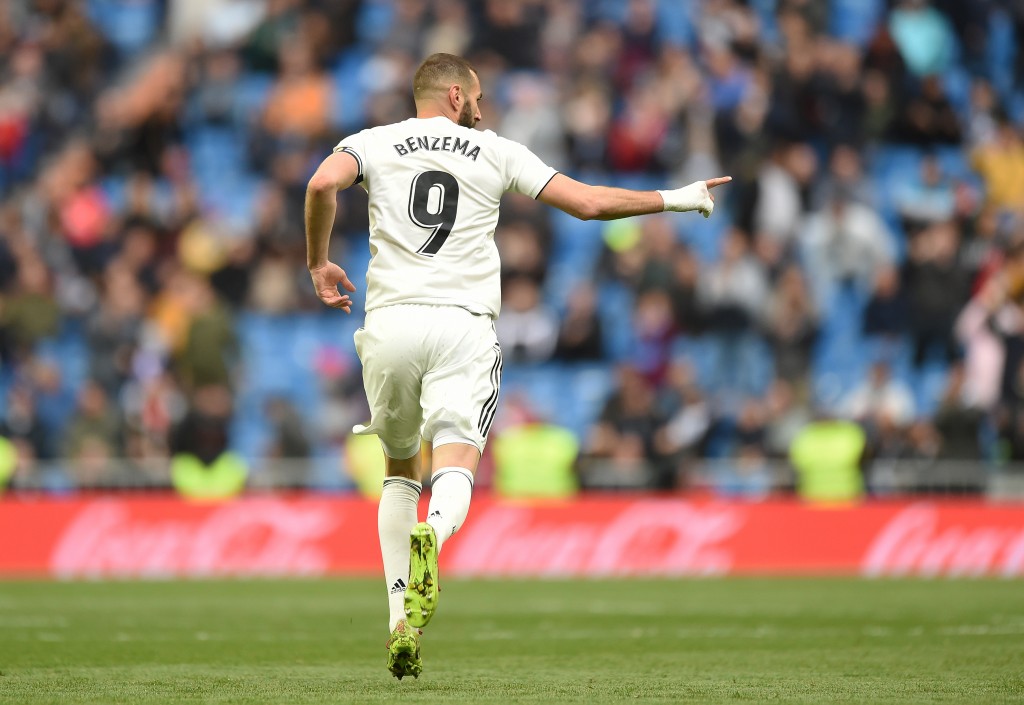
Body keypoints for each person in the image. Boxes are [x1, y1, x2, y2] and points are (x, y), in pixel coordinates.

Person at [303, 53, 730, 680]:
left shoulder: (372, 142)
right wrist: (676, 198)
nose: (481, 106)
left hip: (390, 324)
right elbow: (586, 203)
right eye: (475, 96)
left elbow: (318, 185)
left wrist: (318, 262)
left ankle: (400, 620)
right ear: (453, 95)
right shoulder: (494, 151)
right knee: (457, 458)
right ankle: (437, 537)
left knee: (399, 469)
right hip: (463, 327)